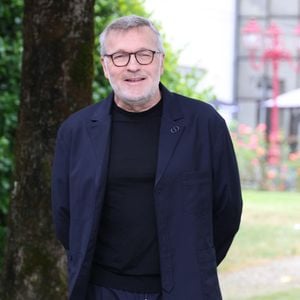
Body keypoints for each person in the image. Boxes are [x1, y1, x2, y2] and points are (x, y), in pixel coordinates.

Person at [52, 15, 243, 300]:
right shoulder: (76, 131)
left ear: (160, 61)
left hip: (184, 289)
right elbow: (65, 216)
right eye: (119, 56)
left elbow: (227, 209)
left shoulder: (204, 124)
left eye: (144, 54)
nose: (133, 65)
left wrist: (192, 266)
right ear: (105, 66)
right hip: (101, 290)